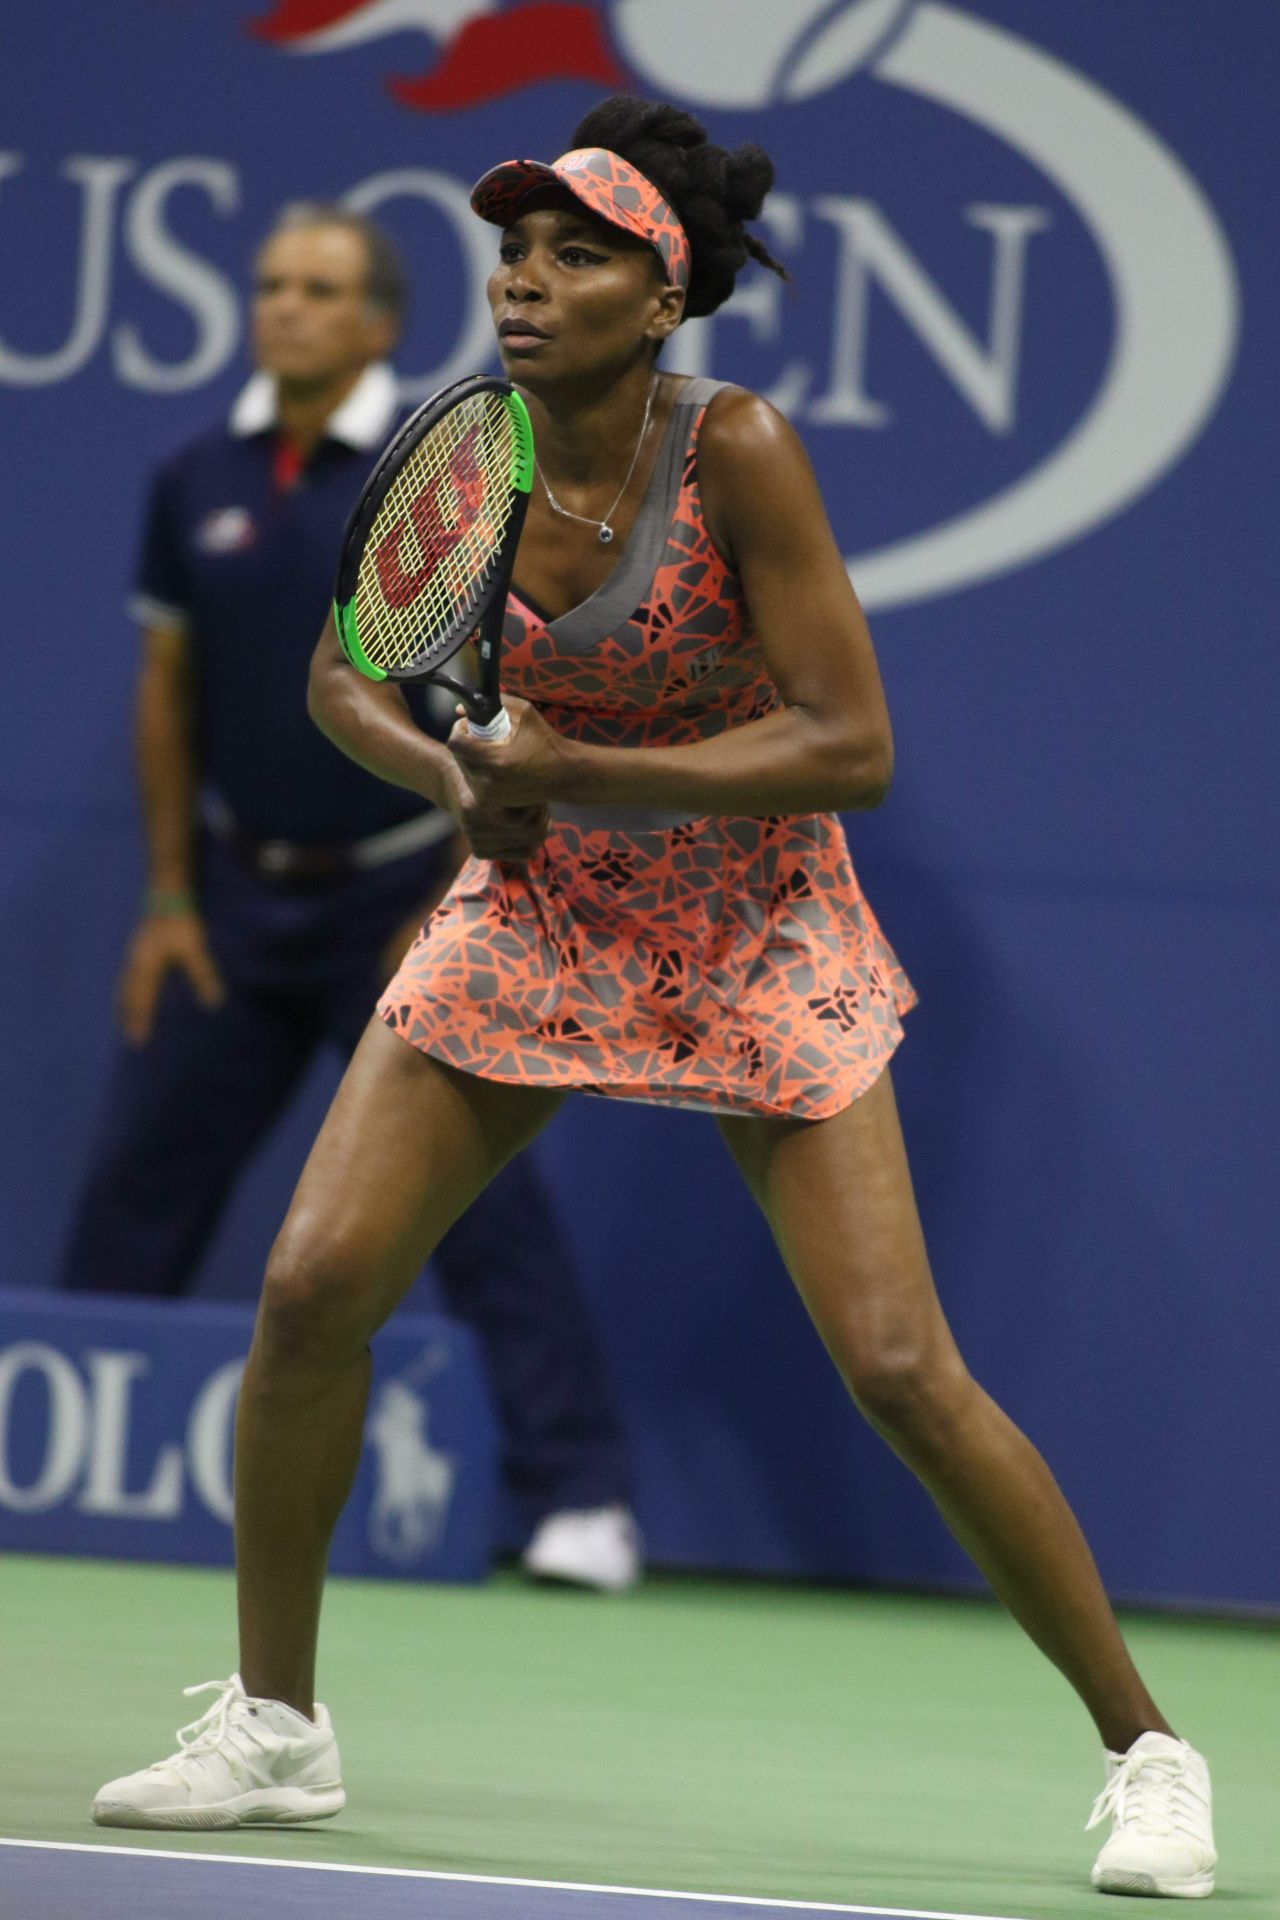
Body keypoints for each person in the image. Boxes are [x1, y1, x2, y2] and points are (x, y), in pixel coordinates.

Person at [89, 102, 1217, 1901]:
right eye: (516, 253)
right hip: (533, 907)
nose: (528, 285)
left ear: (664, 292)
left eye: (580, 255)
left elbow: (850, 744)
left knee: (901, 1368)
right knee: (309, 1289)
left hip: (756, 925)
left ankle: (1150, 1755)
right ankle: (277, 1727)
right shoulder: (470, 453)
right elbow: (341, 678)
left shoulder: (740, 450)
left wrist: (584, 774)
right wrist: (459, 782)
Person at [62, 201, 639, 1594]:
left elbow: (498, 698)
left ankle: (581, 1502)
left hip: (408, 894)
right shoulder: (192, 467)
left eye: (319, 289)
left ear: (381, 322)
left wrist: (456, 890)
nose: (285, 309)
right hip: (234, 907)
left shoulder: (439, 474)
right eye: (269, 285)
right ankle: (56, 1452)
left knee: (476, 1205)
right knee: (139, 1185)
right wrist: (164, 900)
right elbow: (168, 695)